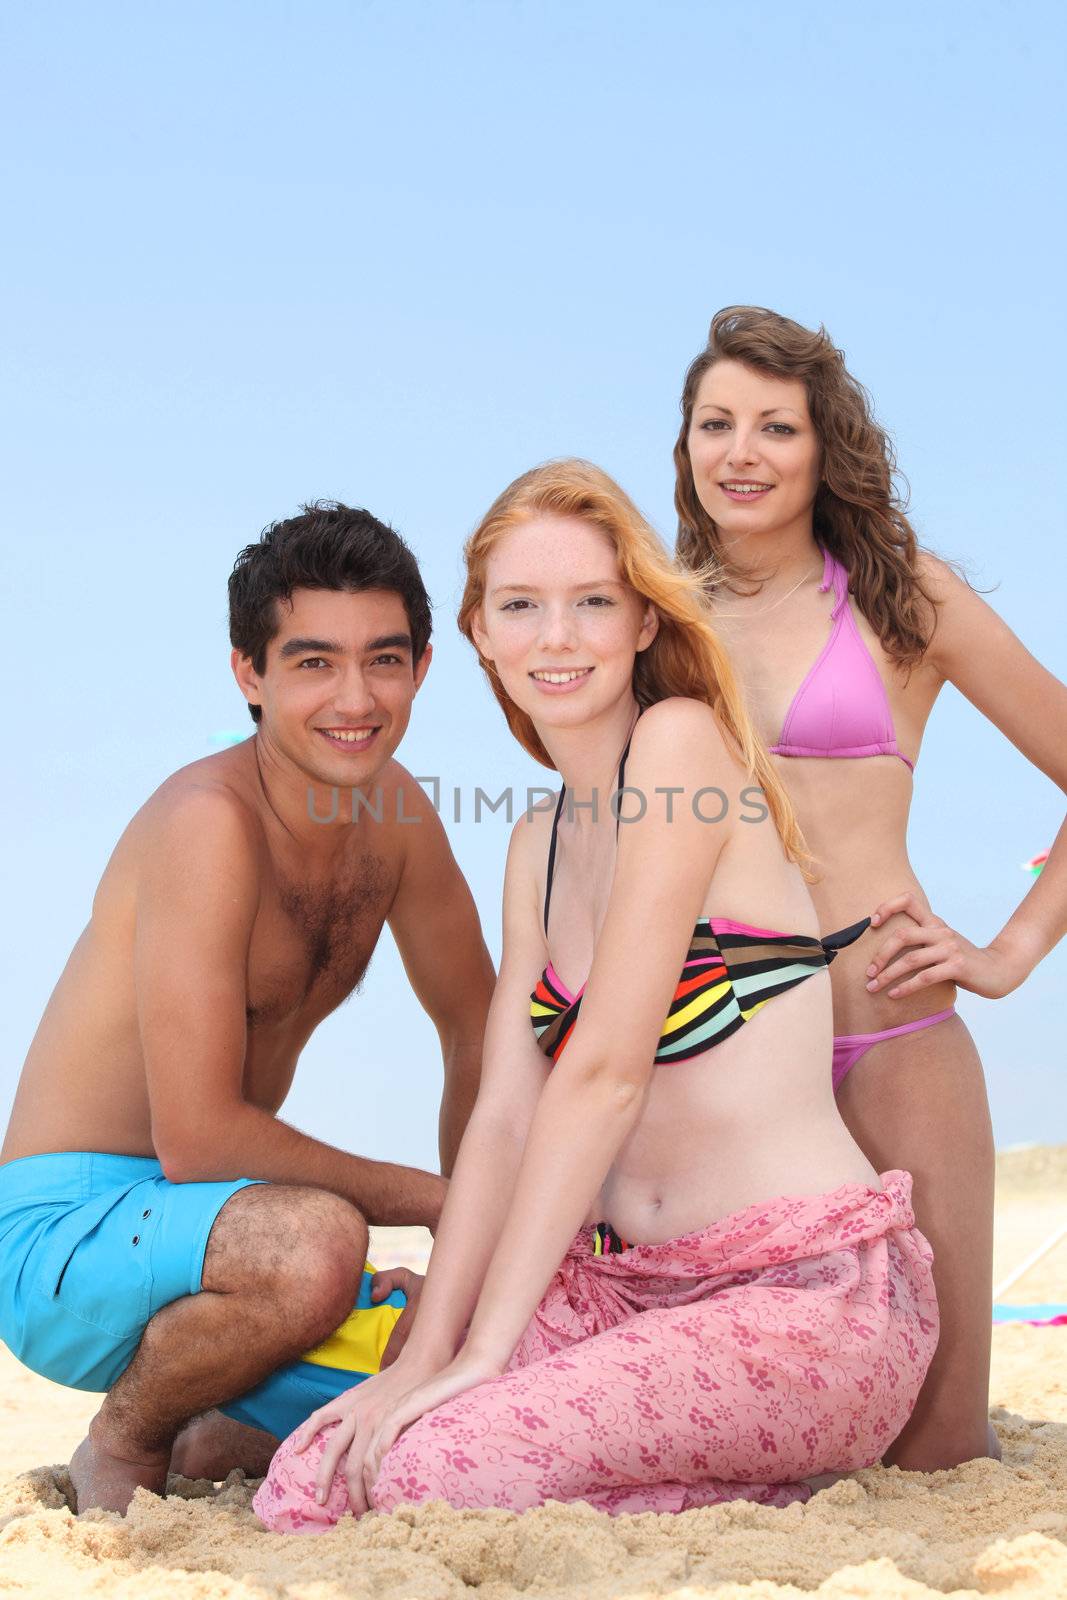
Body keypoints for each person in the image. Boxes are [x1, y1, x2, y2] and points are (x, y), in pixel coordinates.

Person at [253, 460, 938, 1532]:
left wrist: (484, 1351)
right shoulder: (535, 844)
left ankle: (762, 1489)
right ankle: (703, 1479)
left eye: (590, 603)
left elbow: (608, 1072)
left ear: (639, 622)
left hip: (793, 1294)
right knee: (311, 1480)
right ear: (478, 631)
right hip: (618, 1288)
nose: (556, 637)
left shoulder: (681, 748)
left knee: (434, 1474)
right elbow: (505, 1115)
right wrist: (427, 1348)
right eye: (520, 606)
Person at [0, 502, 495, 1514]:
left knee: (458, 1372)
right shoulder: (208, 825)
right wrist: (442, 1200)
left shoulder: (397, 814)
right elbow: (196, 1136)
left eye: (383, 660)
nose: (354, 697)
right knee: (317, 1245)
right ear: (249, 674)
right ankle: (122, 1443)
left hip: (222, 1229)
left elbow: (477, 1032)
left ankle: (214, 1428)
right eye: (313, 662)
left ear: (423, 667)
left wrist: (476, 1247)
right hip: (68, 1230)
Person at [670, 306, 1067, 1469]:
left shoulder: (903, 600)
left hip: (890, 1034)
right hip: (721, 1058)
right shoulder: (655, 619)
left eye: (773, 427)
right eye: (715, 424)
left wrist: (1007, 951)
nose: (740, 452)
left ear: (819, 447)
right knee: (763, 1443)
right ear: (684, 444)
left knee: (938, 1448)